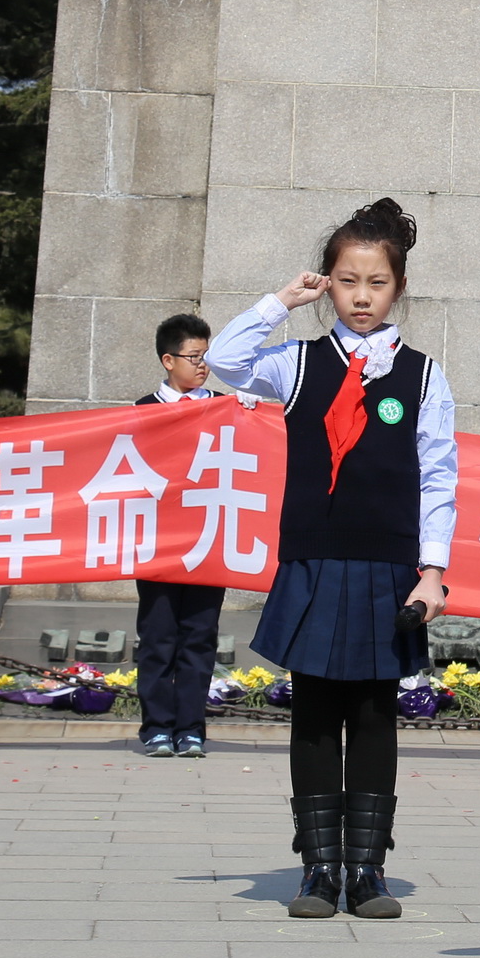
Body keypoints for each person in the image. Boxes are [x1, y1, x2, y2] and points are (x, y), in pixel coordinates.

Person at [206, 200, 456, 919]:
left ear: (397, 287)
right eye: (347, 281)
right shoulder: (296, 363)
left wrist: (431, 569)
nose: (361, 296)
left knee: (375, 714)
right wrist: (280, 303)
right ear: (330, 285)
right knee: (314, 713)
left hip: (388, 565)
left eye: (376, 282)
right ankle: (318, 869)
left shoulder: (421, 375)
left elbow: (437, 473)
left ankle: (368, 870)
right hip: (315, 559)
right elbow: (223, 361)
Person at [132, 313, 224, 759]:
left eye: (207, 356)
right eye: (194, 357)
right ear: (168, 360)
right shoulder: (143, 412)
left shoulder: (227, 408)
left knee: (200, 638)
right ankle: (156, 727)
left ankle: (191, 728)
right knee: (158, 637)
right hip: (157, 546)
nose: (202, 365)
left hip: (209, 542)